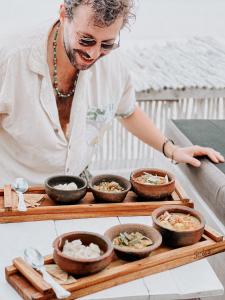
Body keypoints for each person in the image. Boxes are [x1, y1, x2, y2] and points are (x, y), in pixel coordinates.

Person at [0, 0, 223, 185]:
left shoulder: (114, 66)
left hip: (75, 187)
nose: (93, 53)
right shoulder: (10, 57)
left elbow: (128, 111)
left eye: (106, 44)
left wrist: (172, 150)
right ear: (63, 15)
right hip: (13, 190)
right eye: (85, 39)